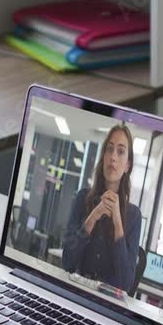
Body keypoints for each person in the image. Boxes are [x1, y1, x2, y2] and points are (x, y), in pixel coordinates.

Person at [61, 125, 143, 292]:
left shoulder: (134, 216)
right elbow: (67, 262)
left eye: (120, 152)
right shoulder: (82, 198)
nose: (113, 157)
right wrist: (93, 217)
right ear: (103, 156)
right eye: (109, 149)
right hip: (77, 293)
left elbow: (125, 284)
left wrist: (118, 223)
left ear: (128, 165)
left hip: (107, 305)